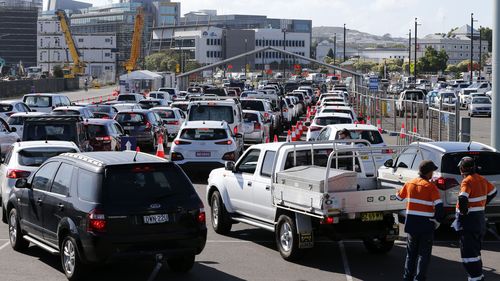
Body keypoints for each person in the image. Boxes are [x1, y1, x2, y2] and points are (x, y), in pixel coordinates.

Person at [396, 160, 444, 281]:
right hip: (426, 226)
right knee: (424, 255)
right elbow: (439, 207)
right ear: (428, 173)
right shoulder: (430, 186)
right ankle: (419, 279)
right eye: (432, 171)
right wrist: (437, 221)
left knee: (411, 254)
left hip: (411, 225)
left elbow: (399, 196)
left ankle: (407, 278)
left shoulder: (410, 183)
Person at [453, 157, 497, 281]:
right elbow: (494, 191)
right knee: (475, 251)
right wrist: (483, 204)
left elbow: (463, 197)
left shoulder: (467, 181)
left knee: (468, 254)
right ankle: (478, 276)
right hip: (479, 221)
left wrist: (464, 212)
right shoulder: (481, 179)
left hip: (468, 222)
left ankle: (475, 277)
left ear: (462, 169)